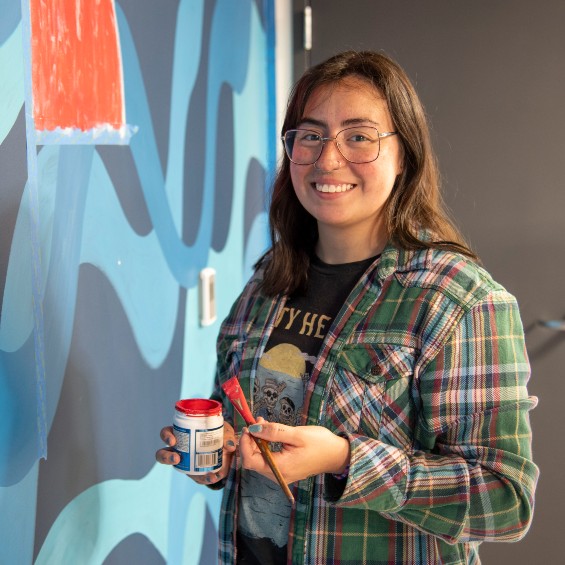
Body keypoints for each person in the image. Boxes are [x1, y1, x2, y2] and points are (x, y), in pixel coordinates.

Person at [156, 50, 538, 564]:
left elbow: (505, 501)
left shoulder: (459, 300)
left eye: (358, 136)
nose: (328, 160)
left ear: (404, 156)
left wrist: (344, 459)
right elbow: (239, 418)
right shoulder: (267, 283)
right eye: (310, 136)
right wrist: (218, 452)